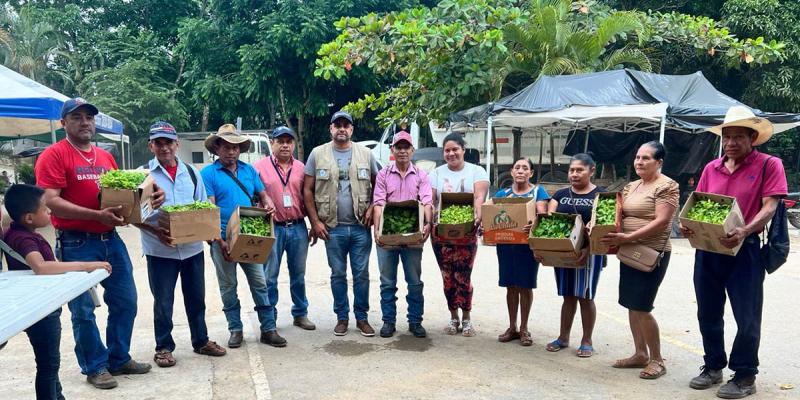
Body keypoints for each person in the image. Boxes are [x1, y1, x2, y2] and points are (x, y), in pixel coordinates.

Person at [35, 98, 163, 389]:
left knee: (126, 301)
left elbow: (127, 193)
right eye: (77, 117)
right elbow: (50, 201)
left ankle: (118, 358)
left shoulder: (105, 157)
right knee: (83, 311)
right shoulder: (54, 155)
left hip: (112, 240)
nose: (85, 122)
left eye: (89, 117)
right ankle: (95, 366)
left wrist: (152, 197)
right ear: (63, 123)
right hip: (76, 243)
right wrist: (96, 215)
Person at [681, 106, 787, 399]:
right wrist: (690, 226)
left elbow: (770, 206)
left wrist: (745, 230)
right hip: (708, 250)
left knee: (747, 316)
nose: (731, 143)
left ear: (753, 138)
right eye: (727, 137)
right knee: (708, 311)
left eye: (738, 136)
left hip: (746, 250)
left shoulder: (769, 164)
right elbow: (699, 203)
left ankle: (744, 375)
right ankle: (713, 366)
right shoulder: (710, 168)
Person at [2, 184, 111, 400]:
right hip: (40, 308)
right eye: (44, 209)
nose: (50, 211)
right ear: (29, 218)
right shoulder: (24, 238)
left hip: (35, 305)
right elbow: (41, 267)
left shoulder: (17, 232)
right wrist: (87, 265)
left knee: (49, 364)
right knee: (49, 365)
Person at [135, 121, 226, 368]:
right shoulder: (143, 175)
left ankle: (201, 340)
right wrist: (155, 230)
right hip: (160, 249)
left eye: (168, 142)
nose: (164, 148)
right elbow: (133, 215)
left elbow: (203, 205)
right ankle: (163, 347)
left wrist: (208, 231)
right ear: (151, 146)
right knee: (163, 301)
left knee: (196, 299)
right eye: (158, 143)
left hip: (192, 248)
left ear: (177, 144)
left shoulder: (192, 172)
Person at [600, 141, 678, 380]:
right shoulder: (631, 186)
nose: (639, 162)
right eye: (637, 157)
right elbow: (617, 213)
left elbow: (662, 221)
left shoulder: (667, 186)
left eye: (646, 158)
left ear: (659, 162)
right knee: (631, 304)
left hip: (652, 252)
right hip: (628, 251)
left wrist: (629, 236)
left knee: (642, 306)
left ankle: (657, 360)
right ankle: (640, 354)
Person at [201, 124, 283, 348]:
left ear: (240, 149)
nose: (231, 152)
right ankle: (235, 329)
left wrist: (269, 205)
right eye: (226, 147)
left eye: (235, 147)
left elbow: (264, 195)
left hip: (249, 235)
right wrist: (219, 239)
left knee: (260, 283)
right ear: (217, 148)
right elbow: (210, 209)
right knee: (228, 286)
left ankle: (268, 329)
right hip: (222, 239)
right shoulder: (208, 174)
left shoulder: (249, 171)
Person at [304, 111, 381, 337]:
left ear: (352, 129)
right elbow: (307, 190)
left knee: (361, 275)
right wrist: (315, 221)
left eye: (346, 125)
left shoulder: (366, 154)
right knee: (338, 274)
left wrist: (371, 208)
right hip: (331, 228)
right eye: (337, 125)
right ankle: (342, 317)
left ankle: (362, 318)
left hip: (360, 227)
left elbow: (380, 185)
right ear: (331, 129)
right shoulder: (317, 154)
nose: (342, 129)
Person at [542, 153, 605, 357]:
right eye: (572, 170)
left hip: (590, 254)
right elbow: (549, 224)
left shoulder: (600, 196)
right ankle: (563, 337)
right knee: (568, 296)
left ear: (591, 171)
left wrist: (588, 249)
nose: (574, 174)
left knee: (585, 297)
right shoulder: (560, 195)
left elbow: (602, 227)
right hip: (564, 254)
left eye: (580, 170)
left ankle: (587, 340)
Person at [371, 131, 433, 338]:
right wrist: (377, 229)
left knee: (414, 281)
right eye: (399, 147)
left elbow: (426, 202)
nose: (403, 151)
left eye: (406, 147)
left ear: (412, 150)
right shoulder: (383, 174)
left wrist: (428, 223)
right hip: (388, 235)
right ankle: (388, 322)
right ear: (393, 150)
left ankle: (415, 321)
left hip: (413, 236)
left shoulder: (421, 175)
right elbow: (379, 203)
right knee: (387, 282)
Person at [253, 126, 315, 331]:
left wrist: (314, 224)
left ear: (294, 144)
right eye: (280, 141)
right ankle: (270, 317)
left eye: (289, 141)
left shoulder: (301, 167)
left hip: (297, 227)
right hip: (273, 228)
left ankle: (300, 313)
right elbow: (253, 197)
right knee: (269, 276)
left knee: (298, 275)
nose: (285, 145)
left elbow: (309, 197)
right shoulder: (259, 167)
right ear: (272, 144)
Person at [429, 133, 489, 337]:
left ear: (463, 149)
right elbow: (431, 199)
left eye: (455, 149)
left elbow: (479, 196)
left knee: (463, 275)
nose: (451, 153)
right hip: (441, 233)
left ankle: (467, 319)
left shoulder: (476, 171)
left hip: (466, 231)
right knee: (447, 276)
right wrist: (431, 219)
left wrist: (477, 217)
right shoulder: (436, 173)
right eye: (447, 150)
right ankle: (453, 317)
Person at [494, 158, 549, 346]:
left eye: (525, 168)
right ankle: (512, 327)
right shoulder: (503, 194)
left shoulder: (538, 192)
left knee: (525, 286)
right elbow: (494, 217)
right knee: (510, 286)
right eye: (517, 167)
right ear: (511, 172)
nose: (520, 171)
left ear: (531, 173)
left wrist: (534, 223)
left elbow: (542, 215)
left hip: (527, 246)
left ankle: (524, 328)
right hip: (507, 245)